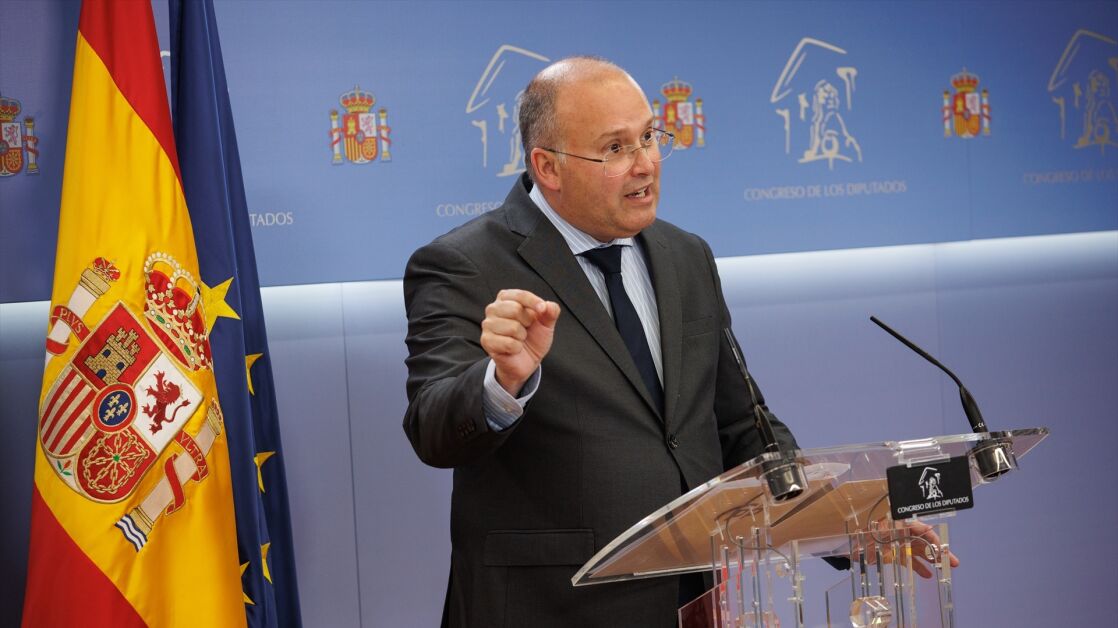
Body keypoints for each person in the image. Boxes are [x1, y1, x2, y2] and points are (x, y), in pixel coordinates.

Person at [403, 56, 799, 628]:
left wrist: (848, 524)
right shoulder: (463, 264)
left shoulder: (686, 255)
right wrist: (502, 382)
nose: (646, 164)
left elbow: (740, 423)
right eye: (615, 148)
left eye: (649, 137)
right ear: (548, 166)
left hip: (693, 599)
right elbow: (432, 430)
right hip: (549, 608)